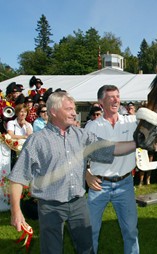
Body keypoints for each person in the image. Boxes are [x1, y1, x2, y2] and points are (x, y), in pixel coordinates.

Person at [8, 91, 136, 254]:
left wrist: (137, 142)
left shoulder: (81, 135)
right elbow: (18, 177)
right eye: (69, 109)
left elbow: (111, 149)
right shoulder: (37, 140)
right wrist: (16, 211)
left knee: (86, 248)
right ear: (53, 111)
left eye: (74, 109)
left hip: (78, 203)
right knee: (52, 251)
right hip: (50, 206)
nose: (74, 113)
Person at [85, 85, 139, 254]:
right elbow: (85, 154)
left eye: (118, 96)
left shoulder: (131, 122)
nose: (116, 100)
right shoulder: (92, 126)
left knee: (130, 231)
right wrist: (86, 173)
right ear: (101, 102)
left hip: (125, 184)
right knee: (91, 231)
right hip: (99, 185)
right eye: (111, 97)